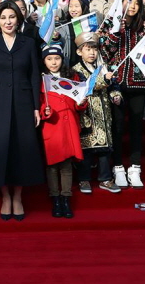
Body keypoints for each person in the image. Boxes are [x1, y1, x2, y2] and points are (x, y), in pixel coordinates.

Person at [0, 1, 44, 221]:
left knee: (22, 149)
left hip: (24, 102)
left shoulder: (28, 43)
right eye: (3, 18)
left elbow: (35, 75)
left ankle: (18, 196)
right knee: (0, 149)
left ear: (18, 20)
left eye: (12, 17)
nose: (8, 22)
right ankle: (5, 196)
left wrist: (36, 106)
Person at [102, 0, 145, 189]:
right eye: (128, 2)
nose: (132, 6)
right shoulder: (112, 23)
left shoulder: (144, 25)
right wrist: (115, 31)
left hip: (138, 83)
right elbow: (105, 52)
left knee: (136, 128)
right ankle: (118, 167)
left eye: (136, 3)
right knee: (117, 127)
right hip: (116, 84)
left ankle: (135, 168)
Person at [39, 44, 85, 218]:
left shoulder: (71, 76)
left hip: (69, 126)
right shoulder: (42, 79)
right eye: (49, 59)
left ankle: (66, 197)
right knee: (52, 165)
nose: (53, 62)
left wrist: (81, 103)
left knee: (66, 164)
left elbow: (78, 99)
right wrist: (45, 111)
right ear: (44, 61)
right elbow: (39, 102)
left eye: (57, 58)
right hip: (51, 126)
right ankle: (55, 198)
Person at [73, 32, 121, 194]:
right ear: (79, 52)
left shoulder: (102, 67)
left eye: (94, 49)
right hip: (87, 115)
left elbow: (113, 86)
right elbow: (86, 87)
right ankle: (84, 179)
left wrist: (116, 95)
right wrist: (105, 80)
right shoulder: (76, 70)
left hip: (104, 114)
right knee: (86, 149)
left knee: (105, 149)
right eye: (88, 49)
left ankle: (105, 179)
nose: (92, 53)